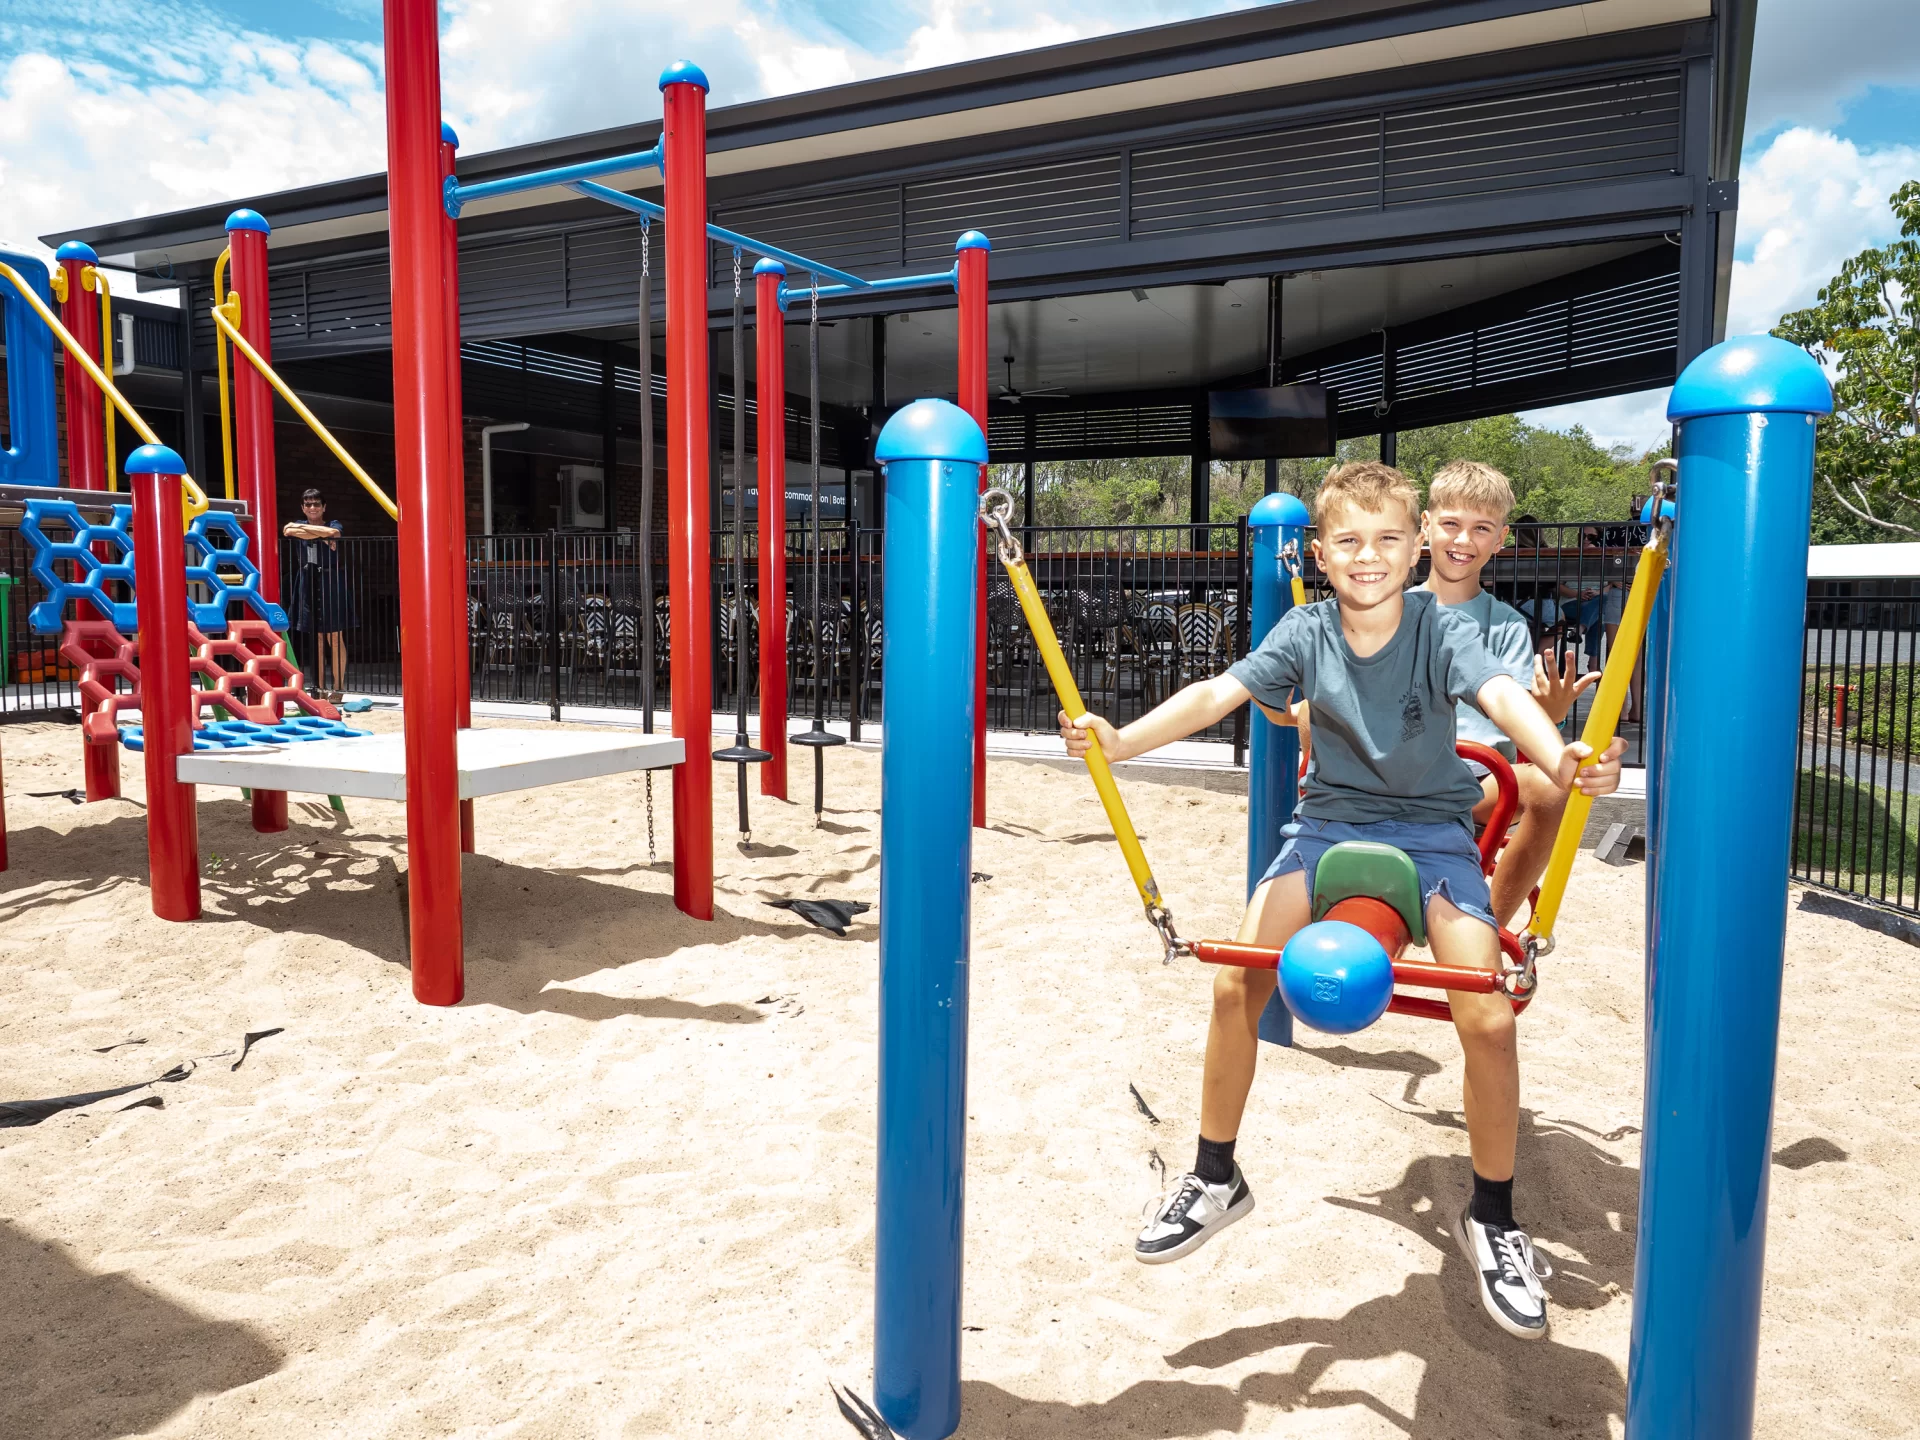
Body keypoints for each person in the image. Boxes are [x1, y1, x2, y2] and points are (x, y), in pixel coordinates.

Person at [1060, 461, 1624, 1341]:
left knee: (1486, 1015)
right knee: (1234, 984)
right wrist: (1122, 738)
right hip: (1326, 826)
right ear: (1321, 554)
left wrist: (1558, 759)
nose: (1371, 557)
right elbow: (1222, 693)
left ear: (1415, 551)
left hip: (1433, 833)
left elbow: (1503, 696)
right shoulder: (1305, 630)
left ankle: (1495, 1217)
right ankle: (1216, 1175)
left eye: (1389, 540)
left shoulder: (1441, 629)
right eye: (1351, 542)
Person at [1420, 461, 1601, 927]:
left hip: (1477, 781)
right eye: (1451, 524)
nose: (1463, 540)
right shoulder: (1390, 612)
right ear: (1425, 526)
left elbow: (1518, 713)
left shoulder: (1503, 625)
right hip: (1399, 772)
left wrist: (1552, 714)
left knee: (1551, 787)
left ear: (1500, 540)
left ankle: (1489, 925)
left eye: (1481, 528)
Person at [283, 489, 352, 700]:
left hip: (331, 581)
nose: (312, 508)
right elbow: (287, 530)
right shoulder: (298, 522)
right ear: (303, 507)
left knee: (335, 637)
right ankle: (320, 689)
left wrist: (310, 531)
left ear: (324, 507)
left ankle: (338, 689)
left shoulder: (334, 523)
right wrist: (318, 533)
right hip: (307, 581)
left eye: (316, 504)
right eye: (308, 504)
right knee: (318, 639)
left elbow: (334, 534)